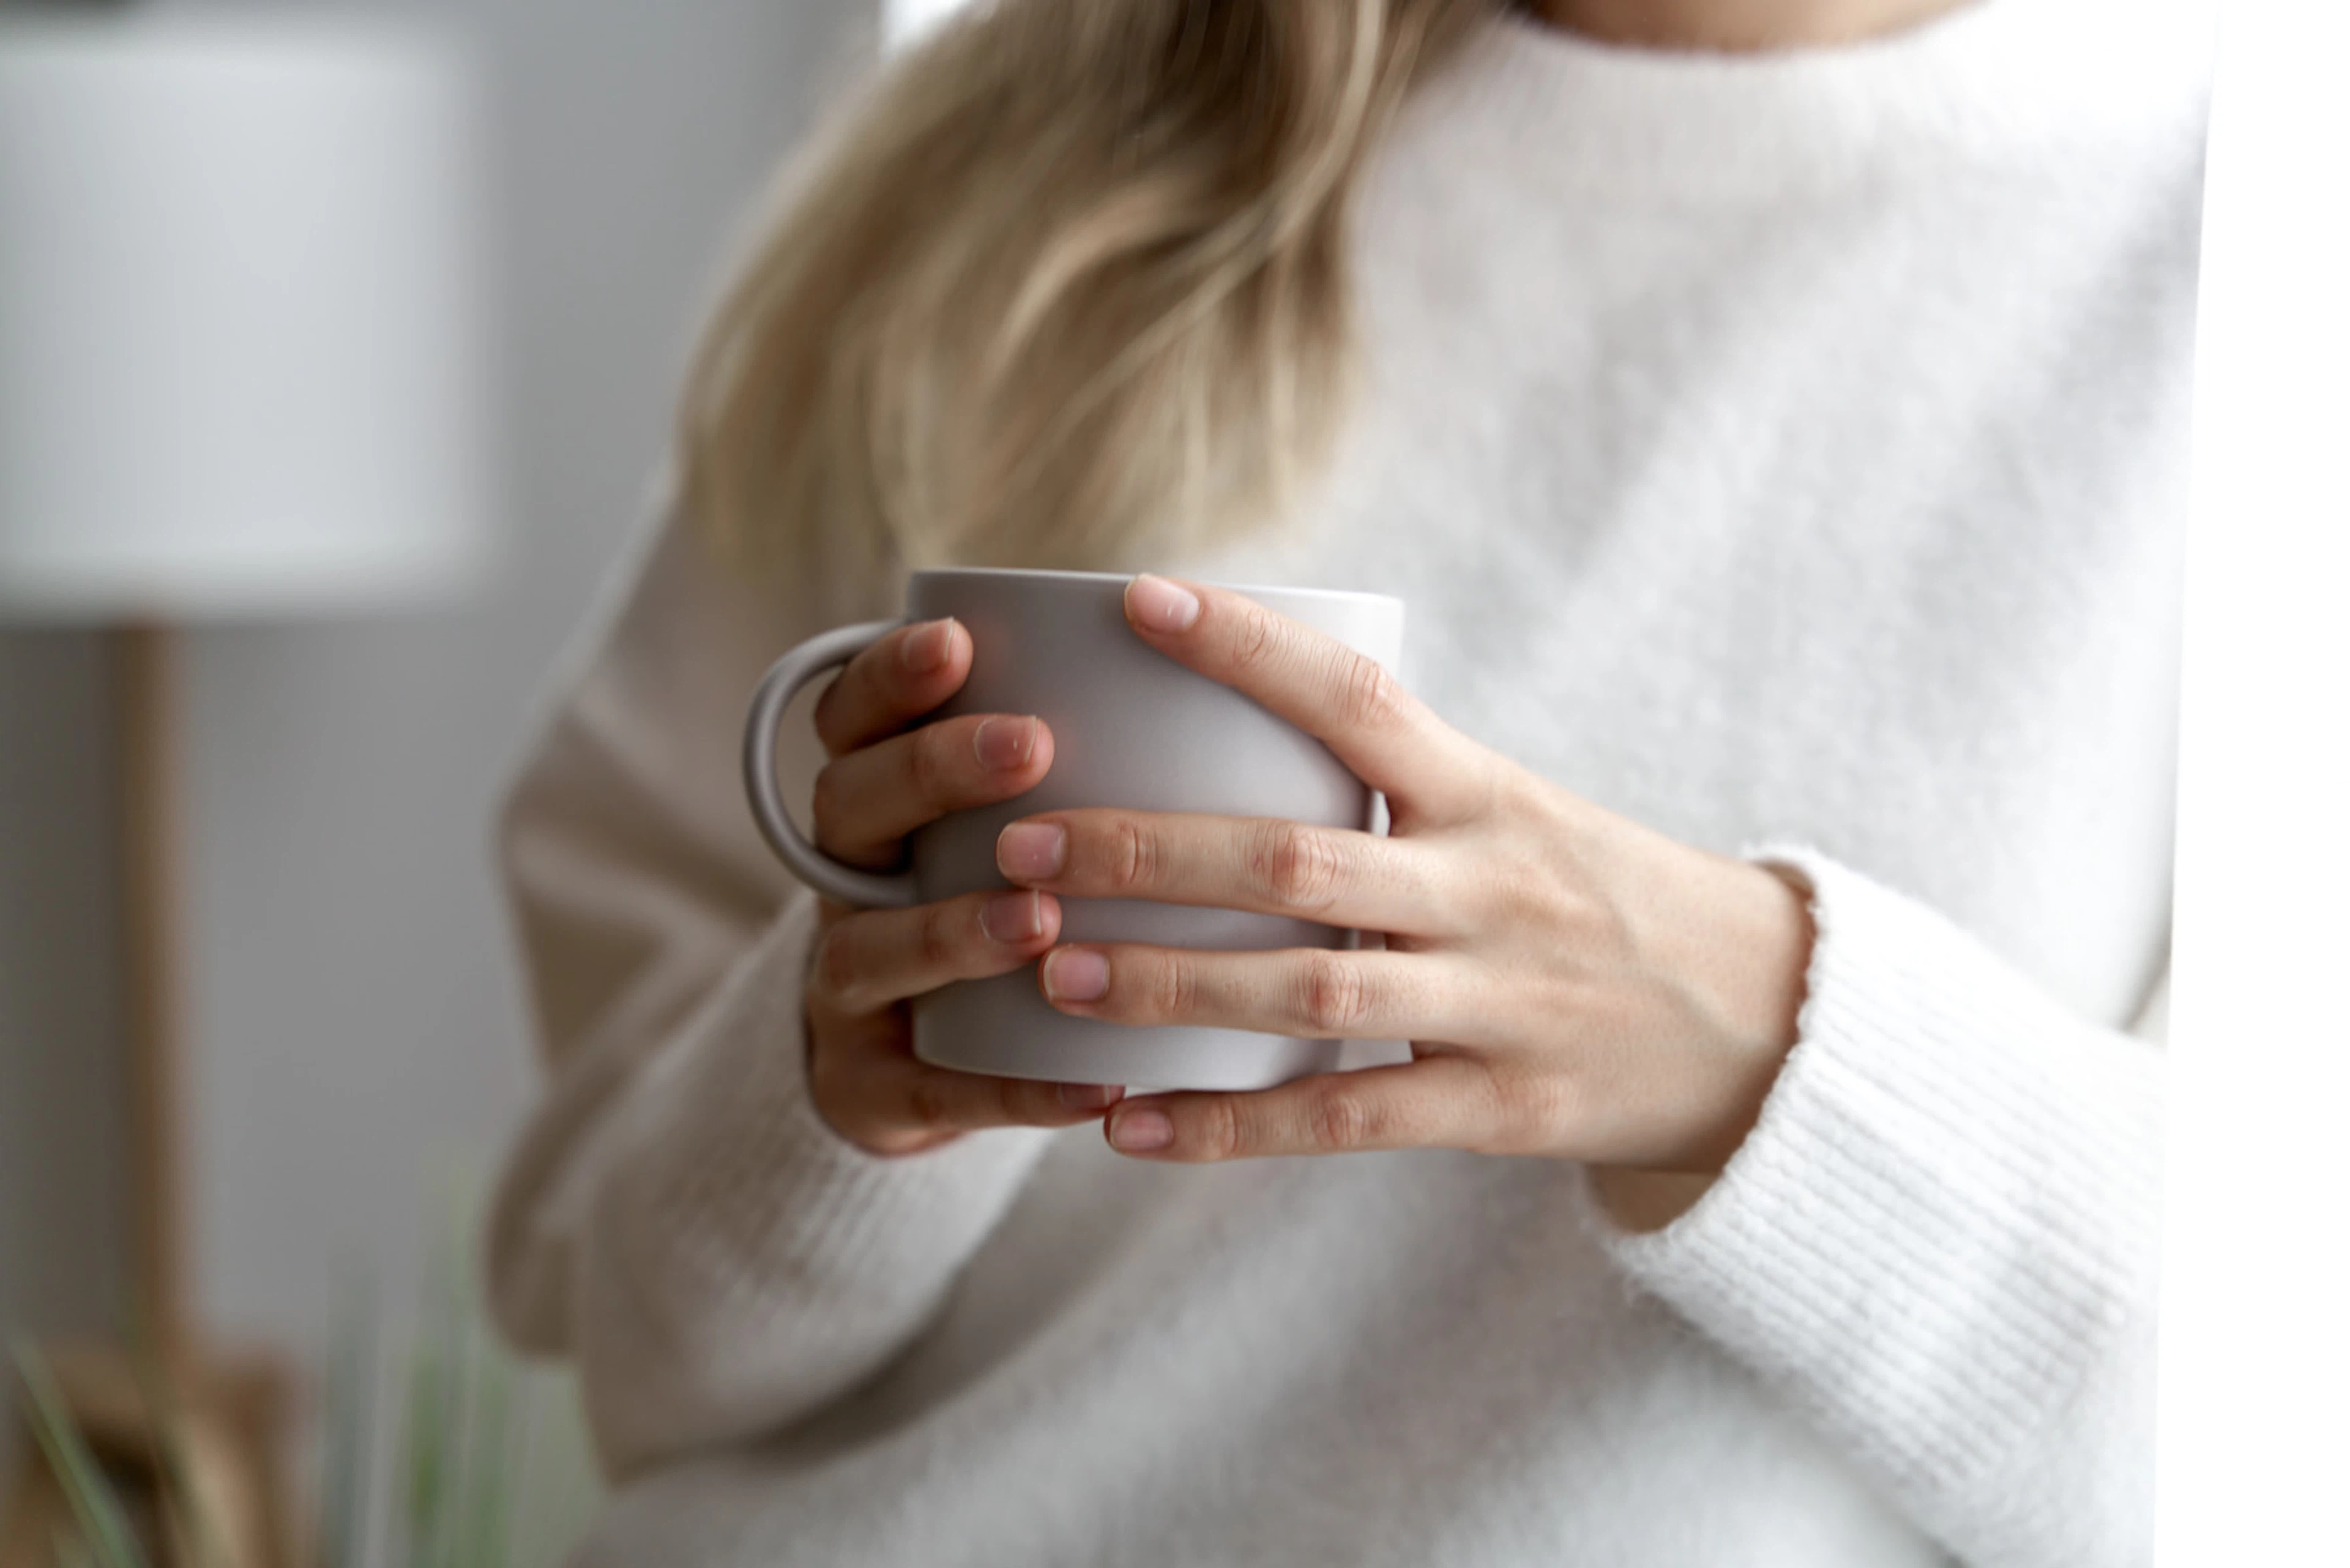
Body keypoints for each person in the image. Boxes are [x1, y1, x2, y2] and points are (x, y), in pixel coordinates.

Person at [485, 0, 2209, 1561]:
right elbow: (633, 1355)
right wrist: (839, 1092)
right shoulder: (1007, 160)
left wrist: (1764, 1040)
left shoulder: (2219, 231)